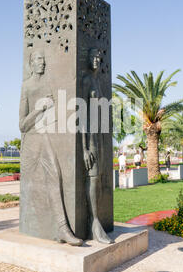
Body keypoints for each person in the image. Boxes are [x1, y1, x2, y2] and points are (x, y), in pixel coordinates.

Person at [19, 51, 83, 247]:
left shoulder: (47, 84)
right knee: (34, 187)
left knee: (55, 175)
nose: (43, 63)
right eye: (39, 59)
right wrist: (40, 107)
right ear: (31, 63)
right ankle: (41, 226)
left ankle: (63, 229)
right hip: (31, 141)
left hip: (45, 136)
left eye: (44, 59)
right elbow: (22, 125)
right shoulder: (27, 86)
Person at [82, 48, 113, 245]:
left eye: (99, 58)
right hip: (90, 135)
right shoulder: (86, 81)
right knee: (92, 178)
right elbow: (81, 115)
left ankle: (97, 220)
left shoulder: (98, 81)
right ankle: (93, 222)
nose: (96, 60)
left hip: (100, 133)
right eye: (93, 57)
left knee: (99, 177)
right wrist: (84, 148)